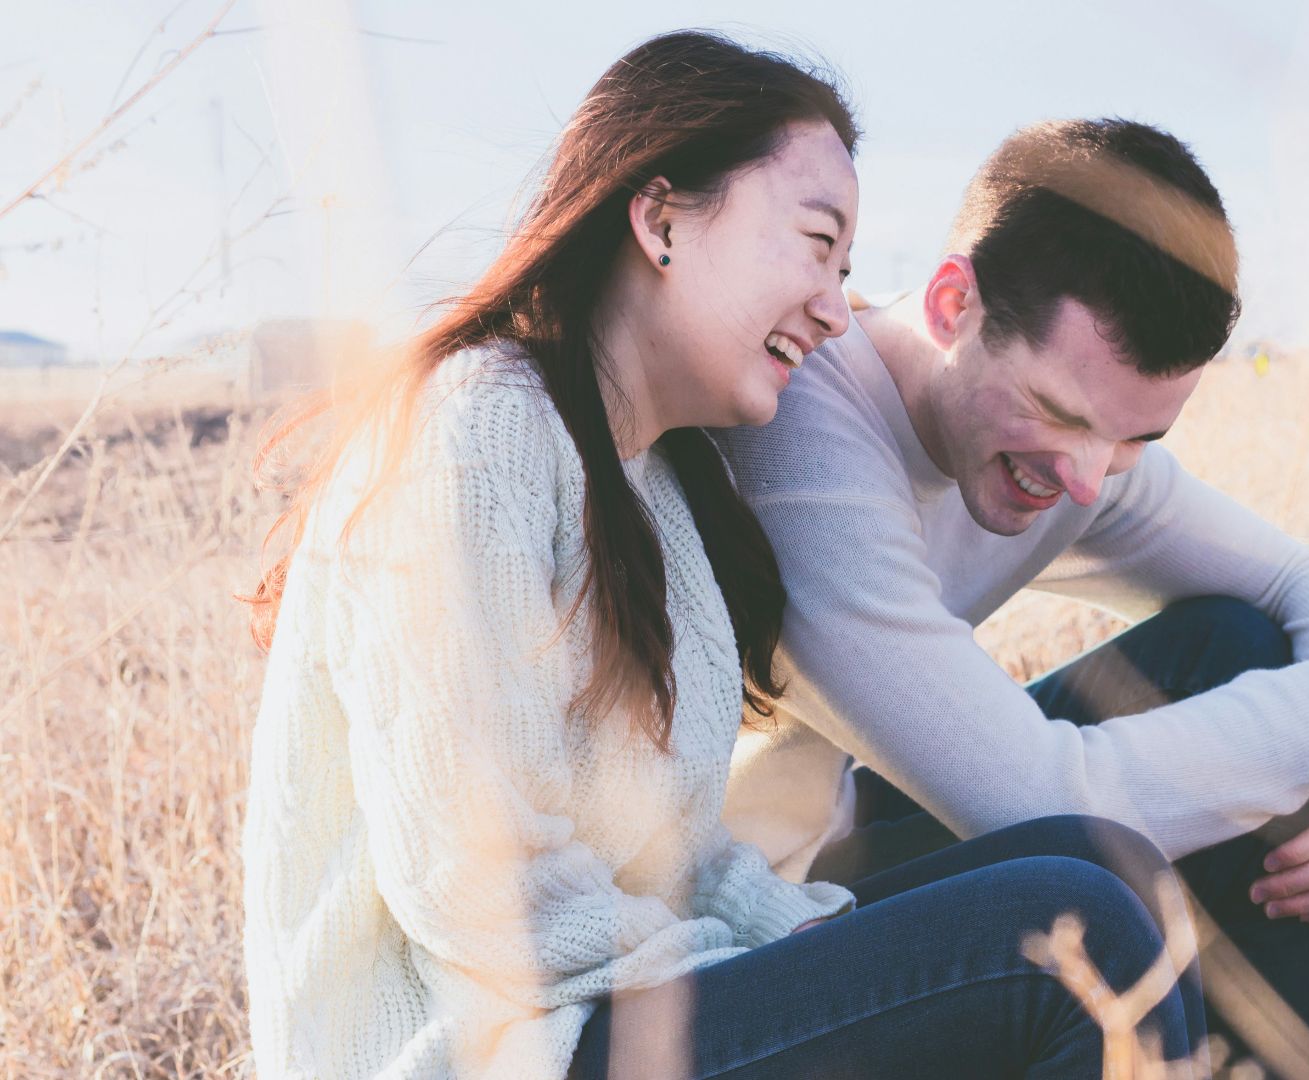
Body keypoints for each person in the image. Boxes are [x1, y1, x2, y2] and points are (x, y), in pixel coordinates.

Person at [241, 35, 1200, 1080]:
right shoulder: (475, 430)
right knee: (1069, 938)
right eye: (815, 243)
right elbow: (480, 889)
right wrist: (756, 964)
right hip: (491, 1050)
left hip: (613, 1011)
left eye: (845, 269)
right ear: (659, 219)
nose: (838, 307)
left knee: (1108, 864)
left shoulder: (654, 486)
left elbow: (673, 858)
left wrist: (789, 936)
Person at [711, 117, 1309, 1055]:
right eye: (1059, 414)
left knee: (1237, 648)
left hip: (834, 847)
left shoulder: (1082, 452)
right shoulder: (803, 436)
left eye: (1137, 439)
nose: (1086, 477)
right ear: (953, 305)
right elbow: (1039, 801)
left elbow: (1298, 581)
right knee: (1099, 889)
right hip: (731, 933)